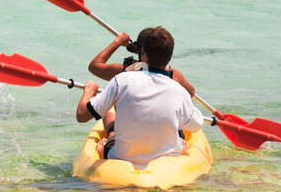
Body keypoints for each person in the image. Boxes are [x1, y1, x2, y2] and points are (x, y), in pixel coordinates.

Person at [76, 26, 205, 166]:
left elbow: (82, 115)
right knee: (176, 115)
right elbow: (195, 119)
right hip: (167, 159)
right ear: (169, 55)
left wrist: (89, 91)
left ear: (142, 53)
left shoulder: (122, 77)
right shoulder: (177, 86)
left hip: (121, 158)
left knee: (108, 108)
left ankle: (111, 136)